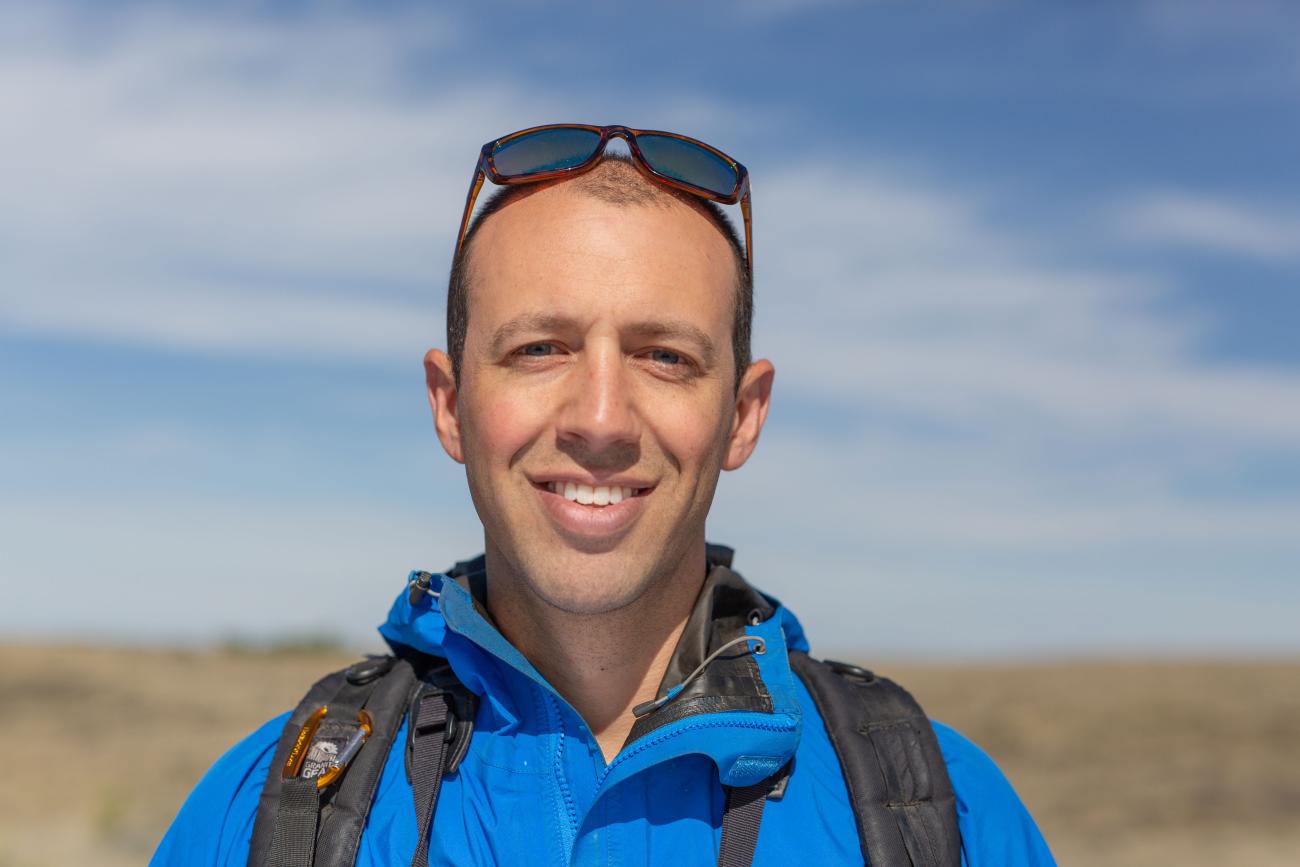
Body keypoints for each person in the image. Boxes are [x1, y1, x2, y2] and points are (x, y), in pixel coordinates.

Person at [152, 124, 1055, 866]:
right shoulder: (272, 812)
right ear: (451, 403)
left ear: (742, 415)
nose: (600, 417)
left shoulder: (942, 815)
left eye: (666, 355)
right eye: (539, 348)